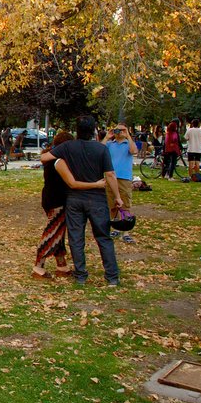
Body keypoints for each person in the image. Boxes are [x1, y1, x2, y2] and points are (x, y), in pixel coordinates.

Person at [40, 115, 123, 286]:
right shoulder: (101, 149)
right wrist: (117, 197)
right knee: (103, 237)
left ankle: (80, 276)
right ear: (93, 130)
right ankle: (112, 277)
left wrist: (60, 159)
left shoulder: (68, 147)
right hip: (97, 198)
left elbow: (44, 158)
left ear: (76, 130)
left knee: (76, 238)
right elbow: (110, 175)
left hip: (75, 199)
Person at [32, 131, 106, 280]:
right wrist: (95, 184)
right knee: (52, 232)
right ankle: (38, 267)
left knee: (59, 233)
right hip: (57, 200)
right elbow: (72, 183)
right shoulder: (59, 161)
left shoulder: (51, 156)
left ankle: (62, 265)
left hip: (52, 198)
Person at [103, 123, 138, 220]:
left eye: (121, 130)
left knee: (125, 205)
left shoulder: (128, 143)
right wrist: (107, 137)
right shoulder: (110, 144)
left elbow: (133, 151)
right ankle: (114, 226)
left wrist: (128, 135)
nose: (119, 132)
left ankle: (125, 230)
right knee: (111, 205)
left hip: (124, 177)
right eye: (117, 130)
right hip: (110, 177)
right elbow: (99, 150)